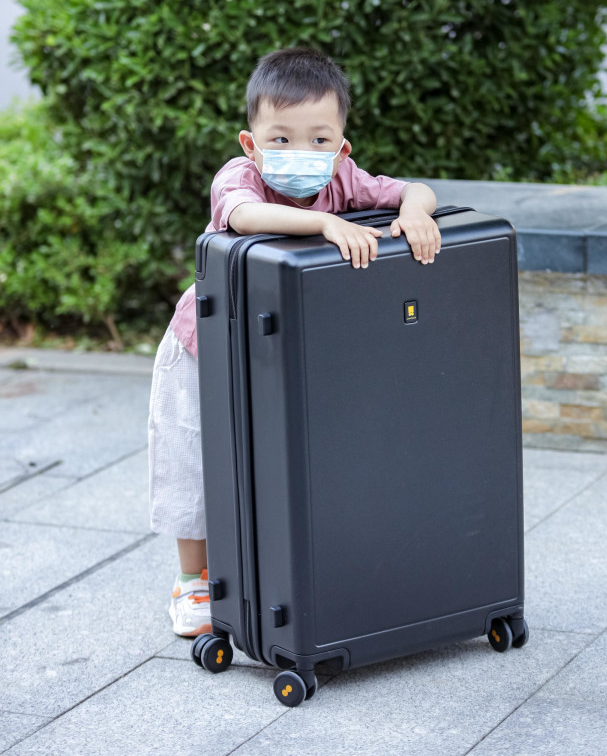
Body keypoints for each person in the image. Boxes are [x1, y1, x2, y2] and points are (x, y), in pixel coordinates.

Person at [148, 46, 441, 637]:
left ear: (340, 147)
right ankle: (193, 581)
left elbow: (414, 188)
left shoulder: (344, 178)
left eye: (318, 139)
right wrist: (328, 223)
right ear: (251, 142)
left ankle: (281, 568)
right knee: (195, 456)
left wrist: (415, 212)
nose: (299, 154)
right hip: (203, 345)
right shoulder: (240, 177)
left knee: (285, 458)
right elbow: (245, 219)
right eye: (279, 139)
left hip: (277, 351)